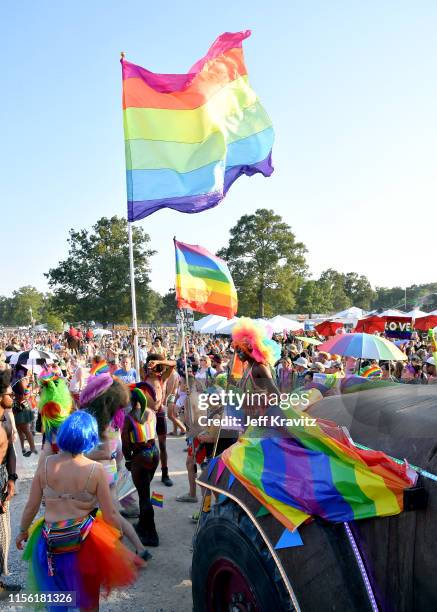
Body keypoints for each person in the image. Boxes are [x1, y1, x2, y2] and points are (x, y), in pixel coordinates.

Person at [16, 411, 144, 610]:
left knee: (57, 600)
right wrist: (115, 538)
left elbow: (31, 505)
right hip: (85, 545)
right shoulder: (96, 470)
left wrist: (23, 530)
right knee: (89, 601)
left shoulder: (46, 464)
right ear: (90, 438)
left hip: (50, 543)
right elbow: (110, 514)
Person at [80, 375, 152, 561]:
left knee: (106, 514)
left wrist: (78, 456)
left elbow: (103, 453)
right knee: (110, 512)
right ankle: (138, 548)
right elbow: (118, 452)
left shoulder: (98, 425)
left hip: (97, 473)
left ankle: (123, 551)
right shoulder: (115, 424)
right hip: (109, 471)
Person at [123, 384, 160, 547]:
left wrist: (128, 460)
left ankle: (151, 534)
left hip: (141, 456)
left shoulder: (129, 417)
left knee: (144, 496)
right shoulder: (152, 413)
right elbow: (153, 432)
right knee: (145, 490)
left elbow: (125, 443)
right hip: (154, 453)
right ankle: (143, 525)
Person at [0, 369, 20, 598]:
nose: (12, 396)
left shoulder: (5, 418)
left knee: (3, 533)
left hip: (3, 478)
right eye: (9, 393)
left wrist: (12, 480)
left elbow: (11, 452)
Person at [143, 354, 176, 486]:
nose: (151, 367)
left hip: (159, 413)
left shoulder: (162, 377)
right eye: (149, 365)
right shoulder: (144, 376)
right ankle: (147, 473)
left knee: (162, 446)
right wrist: (149, 363)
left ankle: (165, 473)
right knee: (147, 445)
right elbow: (141, 364)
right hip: (146, 416)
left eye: (154, 365)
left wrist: (158, 361)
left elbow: (173, 363)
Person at [11, 367, 37, 457]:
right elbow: (25, 394)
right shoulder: (21, 377)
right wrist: (30, 383)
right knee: (25, 429)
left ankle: (24, 448)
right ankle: (32, 448)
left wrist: (30, 382)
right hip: (20, 405)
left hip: (17, 405)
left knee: (21, 429)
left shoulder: (16, 375)